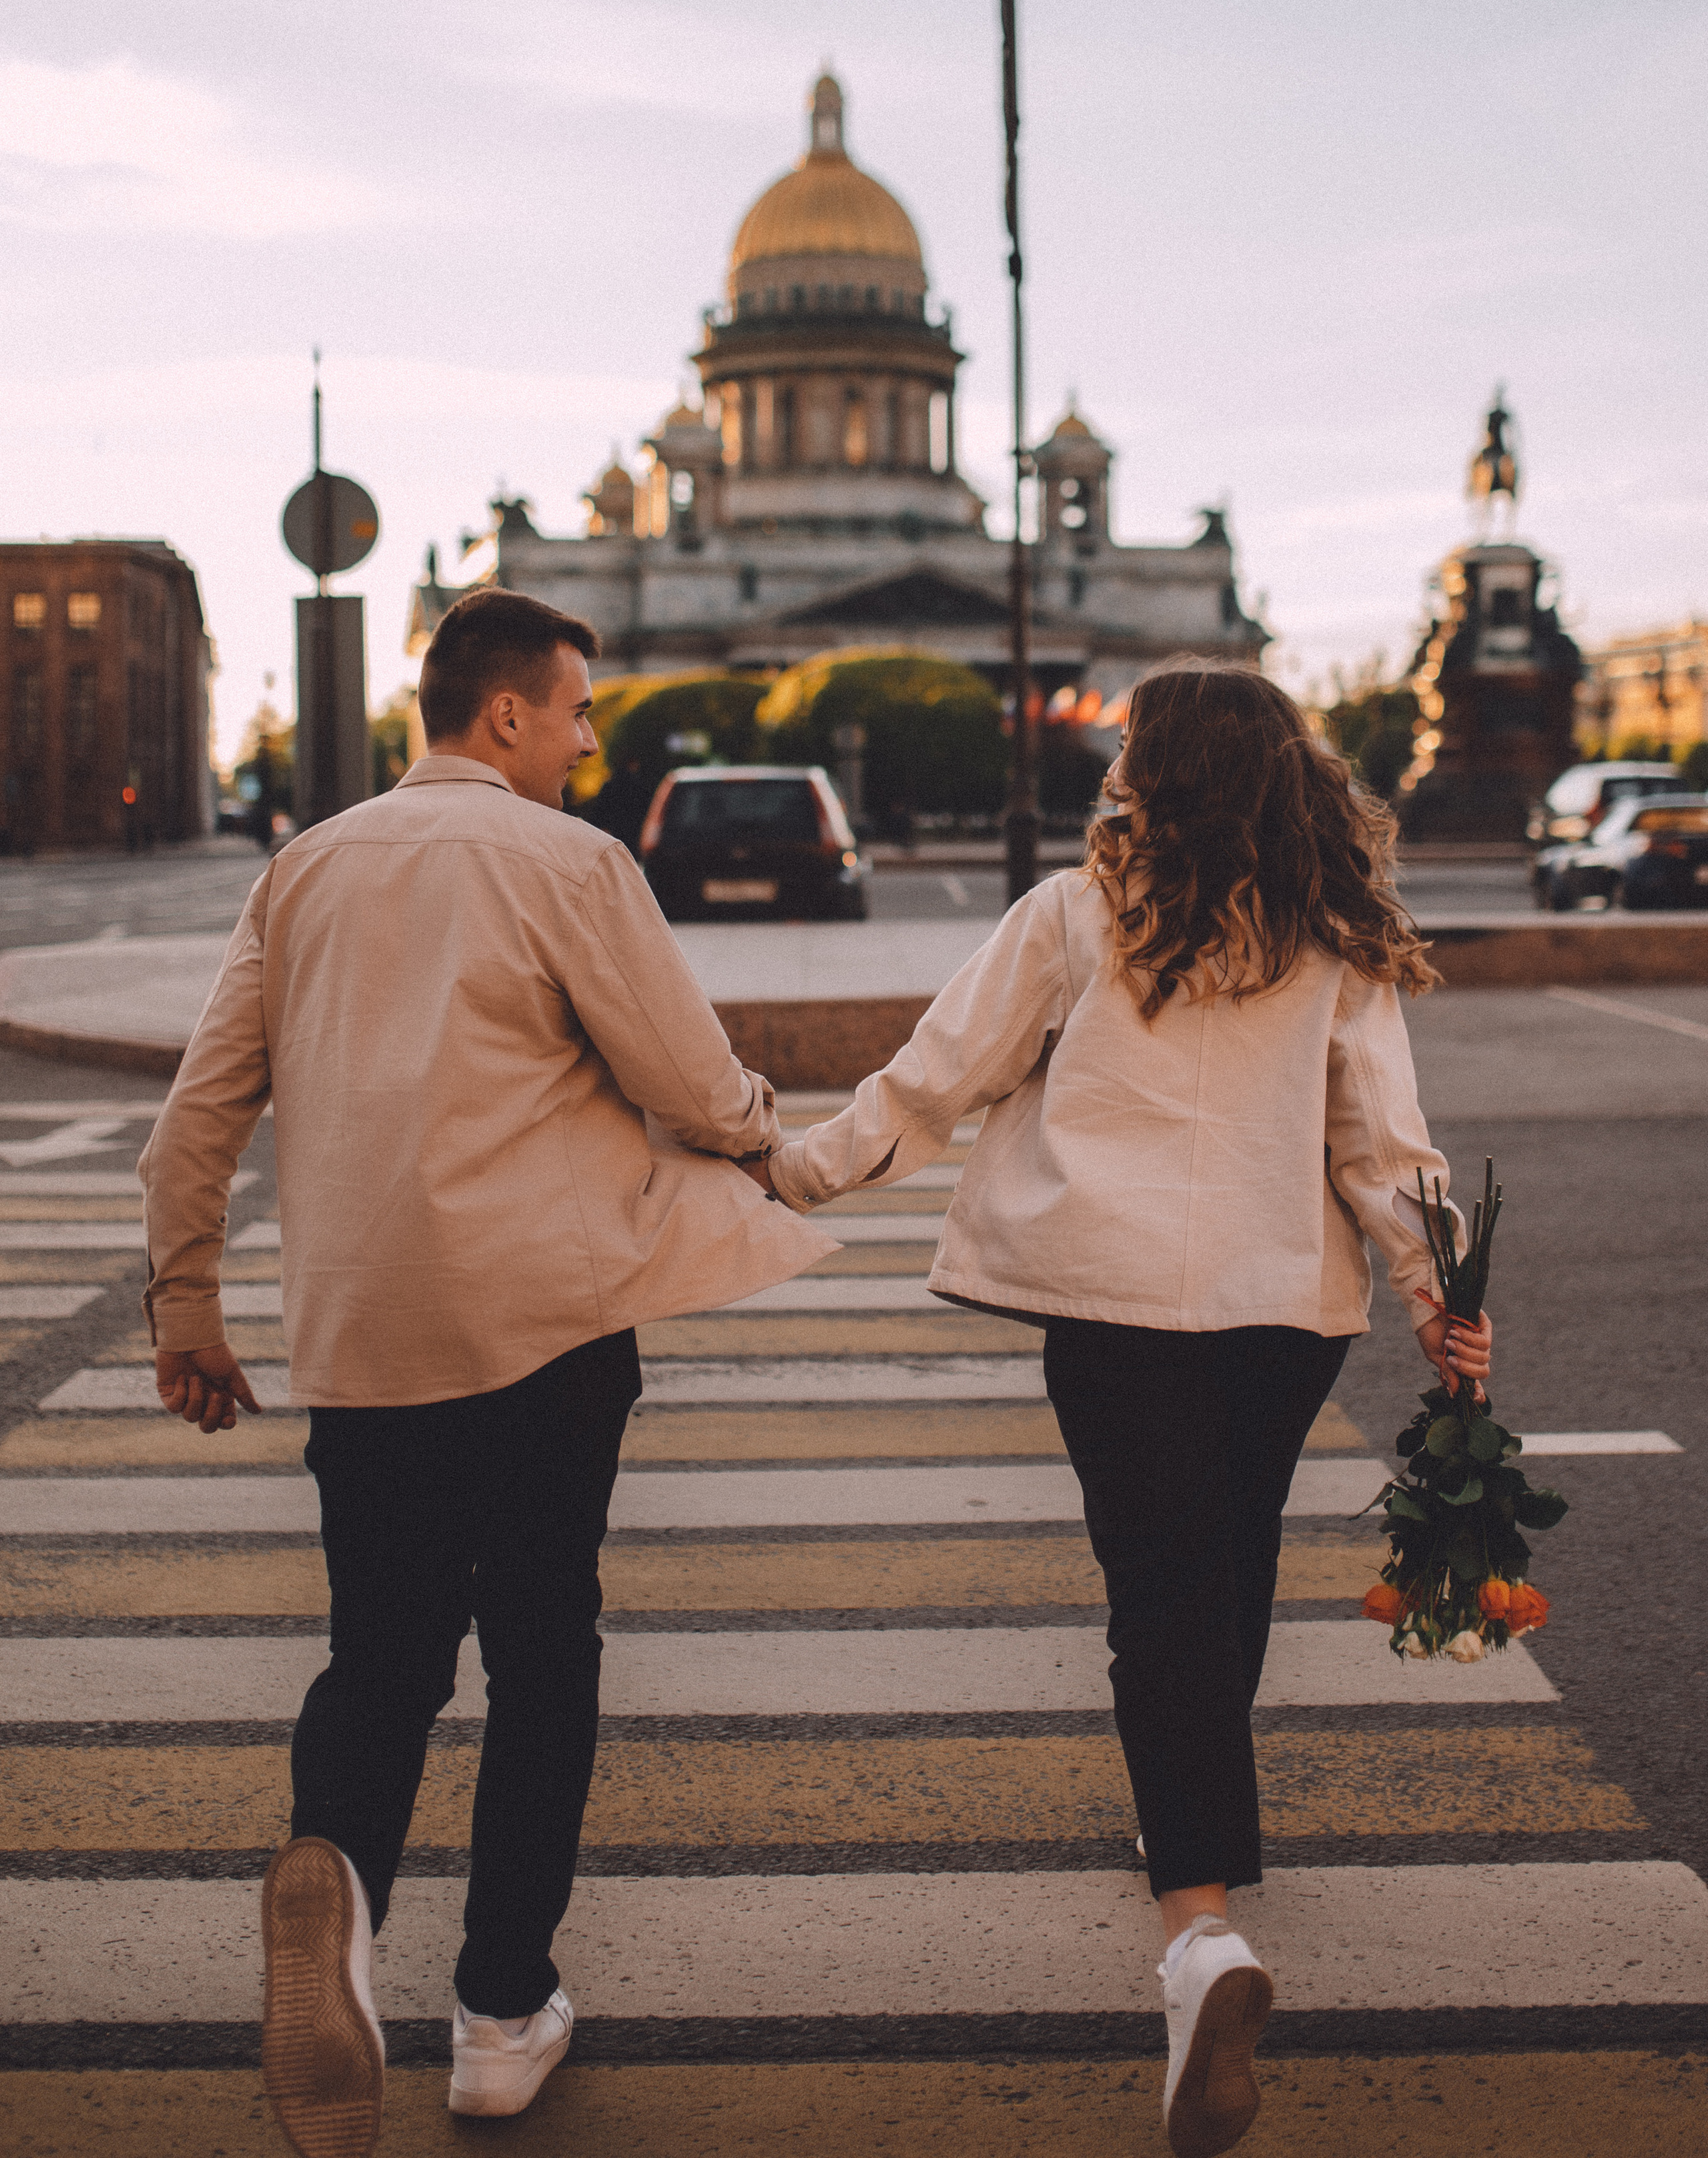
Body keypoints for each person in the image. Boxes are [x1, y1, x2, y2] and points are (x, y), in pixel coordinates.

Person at [753, 660, 1491, 2158]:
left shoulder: (1076, 915)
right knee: (1226, 1568)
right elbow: (1383, 1144)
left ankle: (1199, 1931)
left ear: (1153, 771)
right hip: (1281, 1308)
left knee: (1156, 1595)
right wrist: (1440, 1295)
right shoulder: (1326, 932)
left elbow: (934, 1079)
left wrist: (794, 1171)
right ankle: (1194, 1817)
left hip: (1109, 1305)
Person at [141, 586, 835, 2158]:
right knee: (540, 1652)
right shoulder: (569, 861)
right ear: (508, 711)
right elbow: (684, 1074)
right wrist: (757, 1133)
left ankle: (339, 1881)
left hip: (363, 1339)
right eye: (578, 712)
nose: (587, 743)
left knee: (380, 1658)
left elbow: (196, 1121)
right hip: (545, 1334)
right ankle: (500, 2014)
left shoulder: (303, 869)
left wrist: (187, 1303)